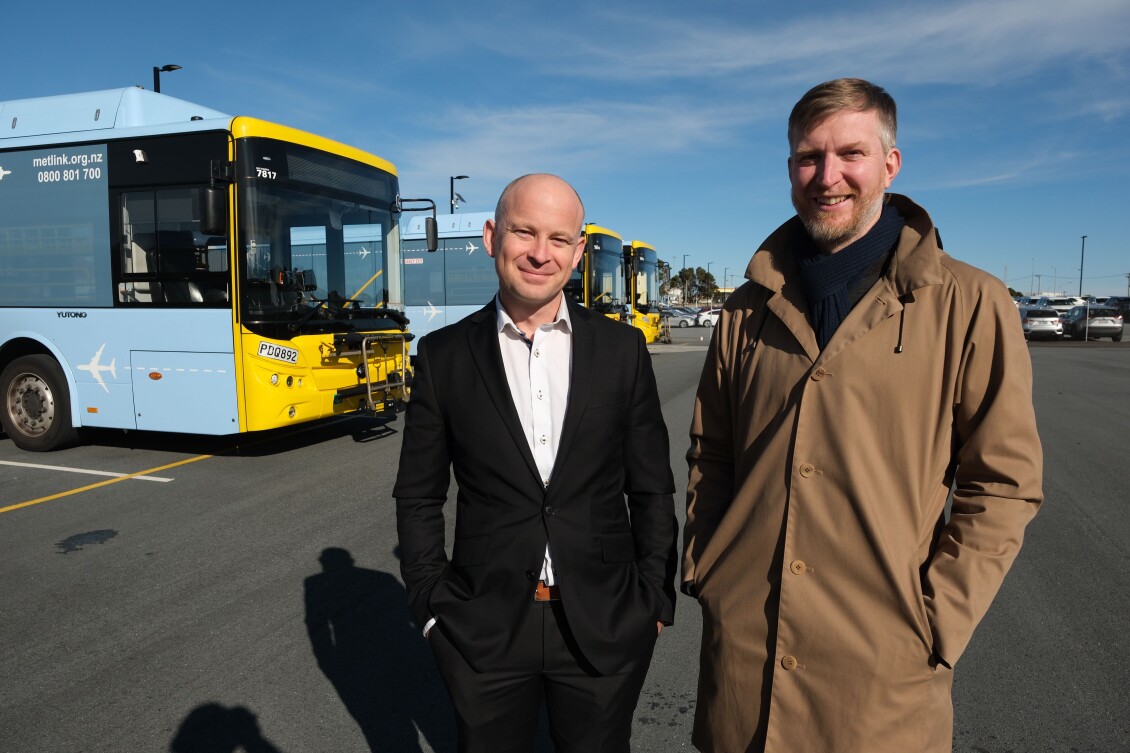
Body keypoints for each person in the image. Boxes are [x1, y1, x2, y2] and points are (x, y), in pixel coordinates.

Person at [682, 78, 1043, 753]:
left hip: (881, 682)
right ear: (790, 167)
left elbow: (1005, 482)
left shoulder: (970, 303)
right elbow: (712, 452)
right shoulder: (744, 309)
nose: (827, 176)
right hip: (746, 665)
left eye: (850, 153)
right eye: (807, 157)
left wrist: (937, 618)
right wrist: (708, 568)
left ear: (890, 164)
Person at [394, 173, 678, 753]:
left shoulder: (622, 351)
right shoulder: (443, 356)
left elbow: (652, 487)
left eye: (557, 238)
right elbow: (418, 494)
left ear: (577, 251)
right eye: (524, 232)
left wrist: (654, 599)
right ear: (492, 235)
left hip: (604, 620)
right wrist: (429, 603)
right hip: (484, 625)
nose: (539, 253)